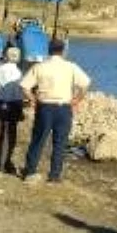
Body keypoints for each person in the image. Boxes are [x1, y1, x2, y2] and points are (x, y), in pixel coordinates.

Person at [21, 39, 90, 184]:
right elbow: (85, 83)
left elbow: (24, 86)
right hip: (64, 108)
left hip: (45, 107)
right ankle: (54, 175)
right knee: (60, 143)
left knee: (38, 140)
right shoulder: (71, 67)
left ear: (48, 50)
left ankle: (30, 170)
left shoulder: (40, 67)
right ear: (63, 50)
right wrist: (77, 99)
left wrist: (33, 100)